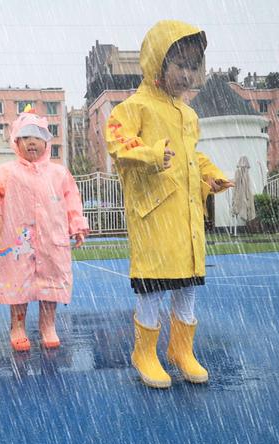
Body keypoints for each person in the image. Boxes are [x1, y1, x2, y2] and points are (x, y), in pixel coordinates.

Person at [105, 20, 235, 389]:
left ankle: (181, 350)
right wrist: (149, 155)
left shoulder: (189, 115)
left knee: (187, 287)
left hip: (186, 219)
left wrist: (211, 177)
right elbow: (117, 144)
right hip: (155, 215)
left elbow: (191, 158)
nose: (187, 73)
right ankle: (144, 353)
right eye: (179, 64)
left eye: (193, 66)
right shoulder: (133, 108)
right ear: (157, 63)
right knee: (153, 288)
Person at [0, 106, 89, 352]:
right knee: (18, 285)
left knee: (50, 284)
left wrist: (77, 225)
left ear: (46, 142)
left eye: (37, 137)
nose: (31, 143)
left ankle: (48, 325)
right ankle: (18, 327)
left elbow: (72, 201)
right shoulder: (6, 172)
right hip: (18, 241)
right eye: (25, 138)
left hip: (51, 240)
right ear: (16, 142)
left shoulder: (59, 173)